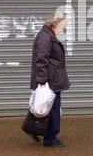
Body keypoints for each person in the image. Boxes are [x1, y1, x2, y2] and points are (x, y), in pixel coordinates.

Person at [29, 12, 70, 147]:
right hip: (49, 81)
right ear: (54, 25)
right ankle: (50, 139)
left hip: (50, 78)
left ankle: (34, 128)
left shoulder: (47, 36)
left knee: (42, 108)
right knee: (51, 110)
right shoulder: (45, 38)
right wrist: (41, 81)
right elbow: (41, 60)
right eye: (62, 26)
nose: (63, 29)